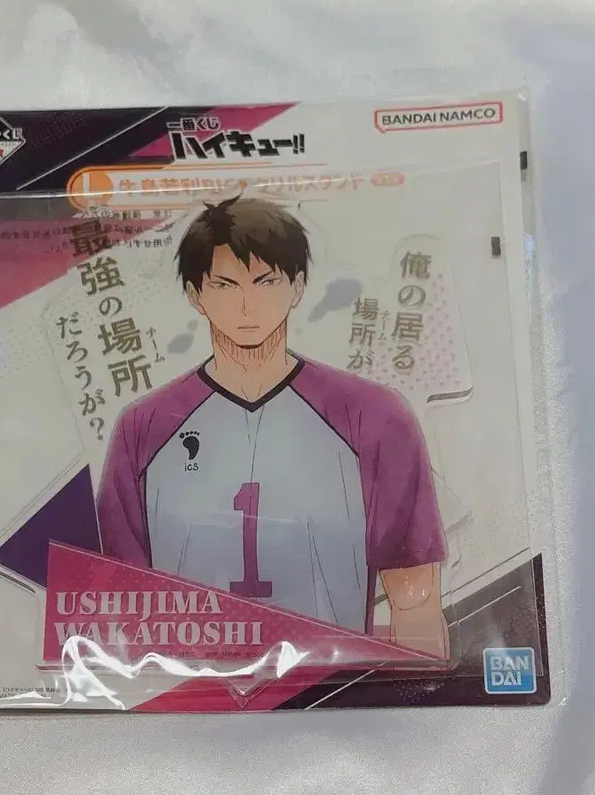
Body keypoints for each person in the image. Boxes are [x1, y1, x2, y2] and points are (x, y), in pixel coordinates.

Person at [95, 195, 449, 658]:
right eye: (224, 284)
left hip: (336, 690)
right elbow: (124, 607)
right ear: (195, 295)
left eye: (266, 282)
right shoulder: (143, 428)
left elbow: (415, 599)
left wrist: (424, 698)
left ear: (297, 287)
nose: (247, 306)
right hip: (192, 693)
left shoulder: (376, 417)